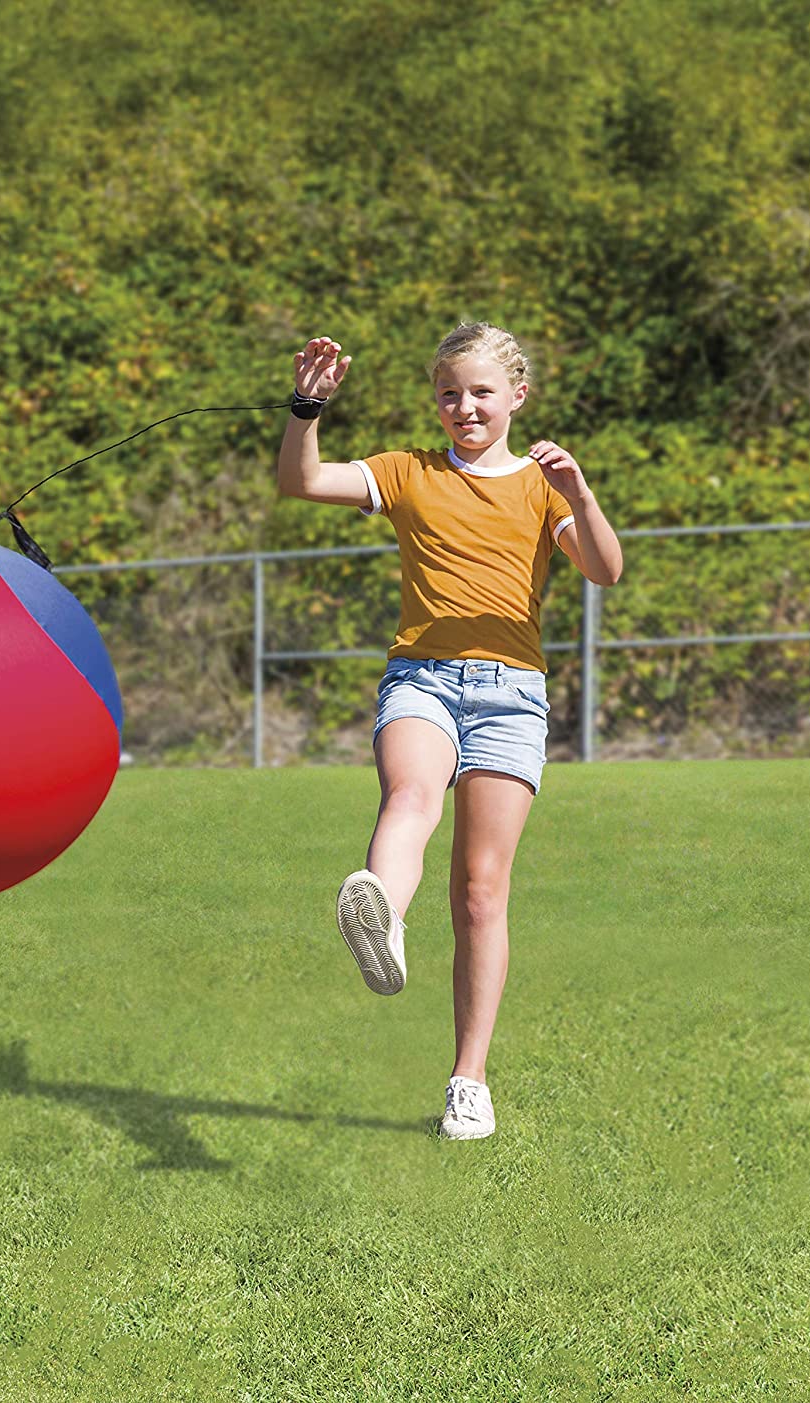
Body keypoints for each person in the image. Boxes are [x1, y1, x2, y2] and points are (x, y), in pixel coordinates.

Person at [276, 324, 623, 1140]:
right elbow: (303, 481)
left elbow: (605, 569)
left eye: (479, 393)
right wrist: (306, 408)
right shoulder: (407, 472)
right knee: (412, 792)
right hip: (422, 677)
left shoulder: (540, 487)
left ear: (516, 397)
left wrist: (581, 493)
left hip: (512, 694)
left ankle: (469, 1080)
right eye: (448, 394)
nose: (462, 408)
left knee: (480, 891)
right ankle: (384, 917)